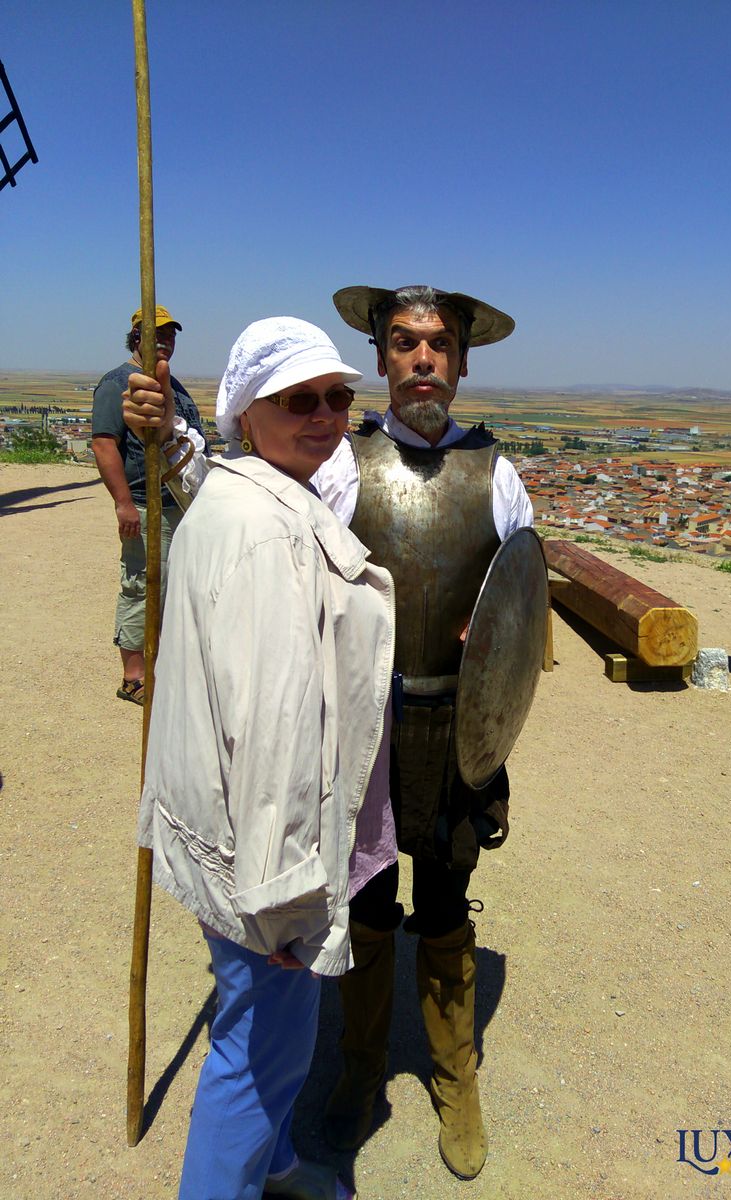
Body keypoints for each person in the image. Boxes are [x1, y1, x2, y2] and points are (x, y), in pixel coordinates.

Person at [124, 284, 535, 1182]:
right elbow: (246, 495)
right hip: (364, 733)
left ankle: (455, 1077)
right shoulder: (346, 463)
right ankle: (357, 1069)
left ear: (462, 363)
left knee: (445, 905)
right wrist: (168, 438)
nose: (422, 360)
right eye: (404, 344)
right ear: (383, 359)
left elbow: (522, 604)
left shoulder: (498, 477)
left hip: (456, 734)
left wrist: (498, 637)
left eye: (439, 345)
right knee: (367, 904)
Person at [133, 317, 395, 1200]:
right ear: (247, 413)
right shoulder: (270, 531)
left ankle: (275, 1165)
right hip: (262, 858)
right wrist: (287, 900)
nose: (324, 415)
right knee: (255, 1057)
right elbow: (275, 732)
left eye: (337, 397)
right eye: (297, 400)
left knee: (263, 1037)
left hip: (222, 830)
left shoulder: (238, 498)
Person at [91, 305, 206, 705]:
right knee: (141, 585)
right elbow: (104, 444)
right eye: (159, 334)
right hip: (144, 503)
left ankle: (160, 668)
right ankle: (134, 678)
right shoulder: (117, 383)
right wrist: (123, 503)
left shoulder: (172, 385)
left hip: (180, 503)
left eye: (171, 334)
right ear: (137, 337)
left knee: (173, 588)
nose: (166, 341)